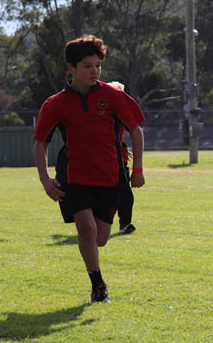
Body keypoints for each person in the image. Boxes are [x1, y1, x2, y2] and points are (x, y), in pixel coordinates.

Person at [33, 35, 145, 304]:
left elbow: (136, 130)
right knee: (85, 228)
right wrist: (45, 179)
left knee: (101, 238)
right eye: (87, 66)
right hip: (74, 175)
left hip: (109, 175)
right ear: (71, 68)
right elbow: (40, 143)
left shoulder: (113, 95)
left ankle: (94, 268)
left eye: (98, 65)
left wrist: (138, 169)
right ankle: (98, 285)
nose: (95, 71)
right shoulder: (56, 103)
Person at [108, 81, 137, 235]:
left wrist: (123, 148)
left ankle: (125, 223)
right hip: (103, 158)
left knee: (125, 192)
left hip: (119, 158)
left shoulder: (120, 111)